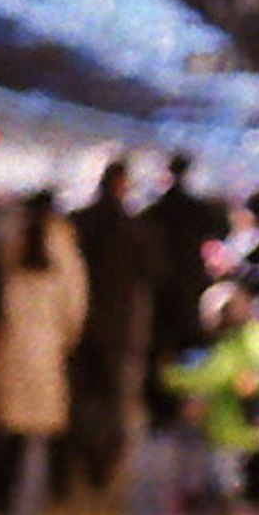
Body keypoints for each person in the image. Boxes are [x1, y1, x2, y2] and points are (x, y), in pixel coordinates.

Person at [0, 190, 86, 515]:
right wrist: (64, 343)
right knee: (21, 430)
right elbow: (75, 309)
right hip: (43, 350)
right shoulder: (66, 254)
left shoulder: (5, 246)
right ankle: (5, 499)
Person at [62, 159, 153, 495]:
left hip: (77, 325)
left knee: (79, 396)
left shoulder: (77, 223)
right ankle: (104, 462)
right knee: (112, 398)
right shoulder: (134, 228)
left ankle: (79, 456)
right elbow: (154, 272)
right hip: (117, 329)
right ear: (123, 185)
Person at [160, 279, 259, 515]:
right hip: (251, 421)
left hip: (229, 424)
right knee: (232, 465)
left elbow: (210, 375)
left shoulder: (235, 346)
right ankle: (233, 500)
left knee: (223, 467)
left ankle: (226, 504)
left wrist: (169, 376)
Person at [139, 153, 229, 438]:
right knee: (189, 352)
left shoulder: (156, 209)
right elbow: (223, 228)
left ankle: (159, 409)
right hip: (191, 292)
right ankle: (184, 406)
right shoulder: (198, 209)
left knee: (159, 352)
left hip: (162, 292)